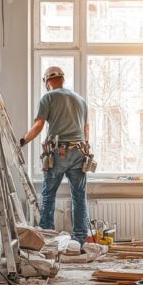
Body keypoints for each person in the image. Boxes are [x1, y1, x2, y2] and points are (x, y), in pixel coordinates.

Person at [21, 66, 90, 244]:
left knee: (49, 195)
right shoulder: (80, 100)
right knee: (79, 197)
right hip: (79, 151)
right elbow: (86, 127)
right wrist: (85, 145)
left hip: (58, 153)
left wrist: (22, 141)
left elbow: (38, 126)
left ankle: (46, 237)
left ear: (46, 81)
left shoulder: (48, 97)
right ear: (62, 79)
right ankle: (80, 239)